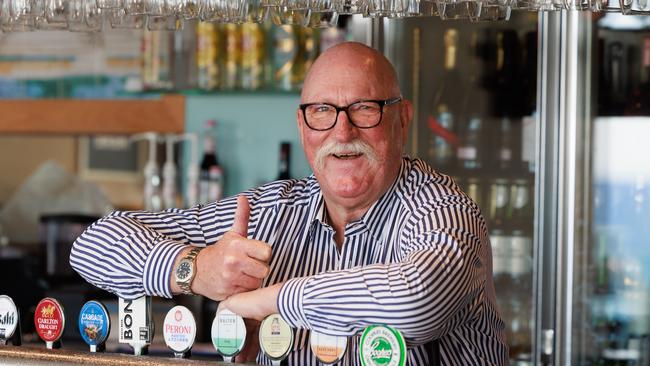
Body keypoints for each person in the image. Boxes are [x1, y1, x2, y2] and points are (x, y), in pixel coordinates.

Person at [70, 42, 508, 365]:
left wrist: (267, 301)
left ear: (402, 119)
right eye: (322, 111)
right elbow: (93, 245)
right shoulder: (274, 210)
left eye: (364, 109)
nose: (342, 133)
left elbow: (418, 301)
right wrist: (194, 268)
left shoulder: (443, 209)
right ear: (302, 127)